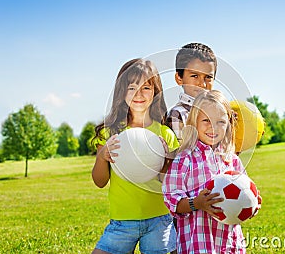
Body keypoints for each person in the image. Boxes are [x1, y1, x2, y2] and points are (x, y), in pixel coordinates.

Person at [91, 58, 179, 254]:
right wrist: (102, 157)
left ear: (156, 92)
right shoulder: (111, 132)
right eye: (132, 88)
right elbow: (99, 181)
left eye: (146, 88)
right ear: (122, 93)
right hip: (122, 221)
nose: (139, 94)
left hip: (159, 220)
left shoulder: (165, 134)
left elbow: (171, 184)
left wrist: (165, 163)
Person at [163, 90, 258, 254]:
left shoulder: (232, 160)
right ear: (194, 123)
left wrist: (252, 202)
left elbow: (246, 191)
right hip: (199, 242)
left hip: (230, 243)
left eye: (220, 121)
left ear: (228, 123)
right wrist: (196, 203)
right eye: (206, 120)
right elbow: (172, 200)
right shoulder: (185, 159)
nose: (213, 127)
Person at [166, 42, 217, 143]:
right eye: (195, 76)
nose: (202, 84)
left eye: (208, 77)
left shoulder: (218, 113)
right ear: (179, 78)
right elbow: (181, 153)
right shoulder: (177, 114)